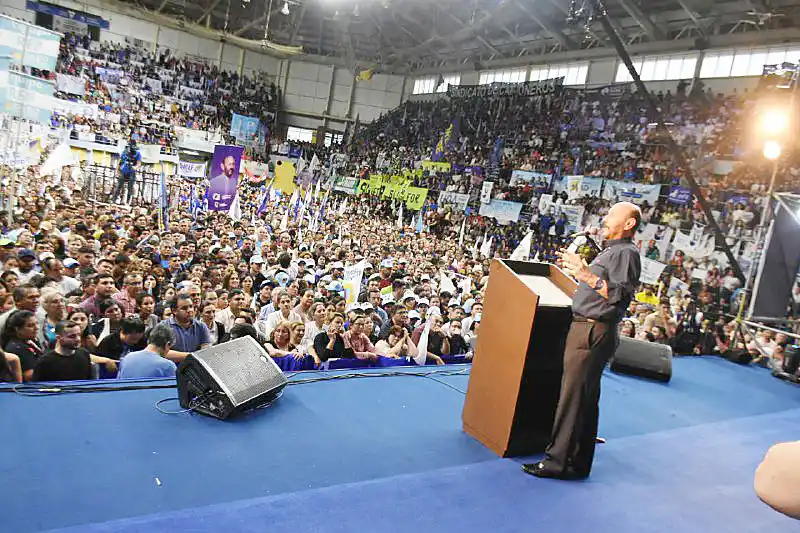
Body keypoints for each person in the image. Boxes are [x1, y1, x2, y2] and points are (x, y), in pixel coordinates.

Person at [523, 201, 642, 480]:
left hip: (592, 331)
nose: (605, 218)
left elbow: (619, 296)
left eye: (612, 215)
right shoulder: (612, 252)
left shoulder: (626, 253)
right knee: (584, 400)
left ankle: (557, 462)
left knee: (573, 399)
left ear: (629, 224)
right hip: (589, 329)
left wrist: (585, 273)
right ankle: (576, 461)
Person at [111, 139, 141, 205]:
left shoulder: (138, 153)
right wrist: (116, 171)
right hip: (123, 171)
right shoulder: (124, 152)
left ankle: (128, 202)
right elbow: (120, 162)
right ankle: (114, 199)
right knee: (119, 185)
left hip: (131, 172)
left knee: (130, 186)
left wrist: (135, 167)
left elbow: (139, 163)